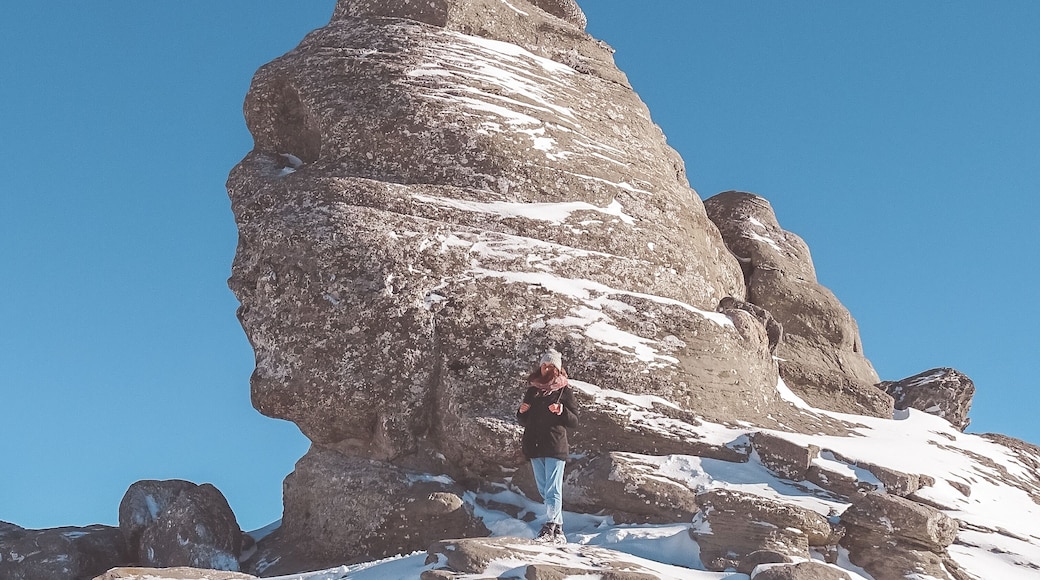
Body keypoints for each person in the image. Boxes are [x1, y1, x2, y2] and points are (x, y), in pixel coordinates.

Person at [516, 348, 579, 544]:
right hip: (534, 446)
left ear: (558, 368)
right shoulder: (533, 391)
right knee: (544, 490)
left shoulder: (564, 391)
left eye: (551, 365)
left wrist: (561, 410)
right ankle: (558, 529)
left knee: (552, 489)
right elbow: (524, 420)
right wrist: (522, 412)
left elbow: (575, 421)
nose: (546, 368)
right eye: (544, 365)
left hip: (554, 446)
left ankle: (550, 526)